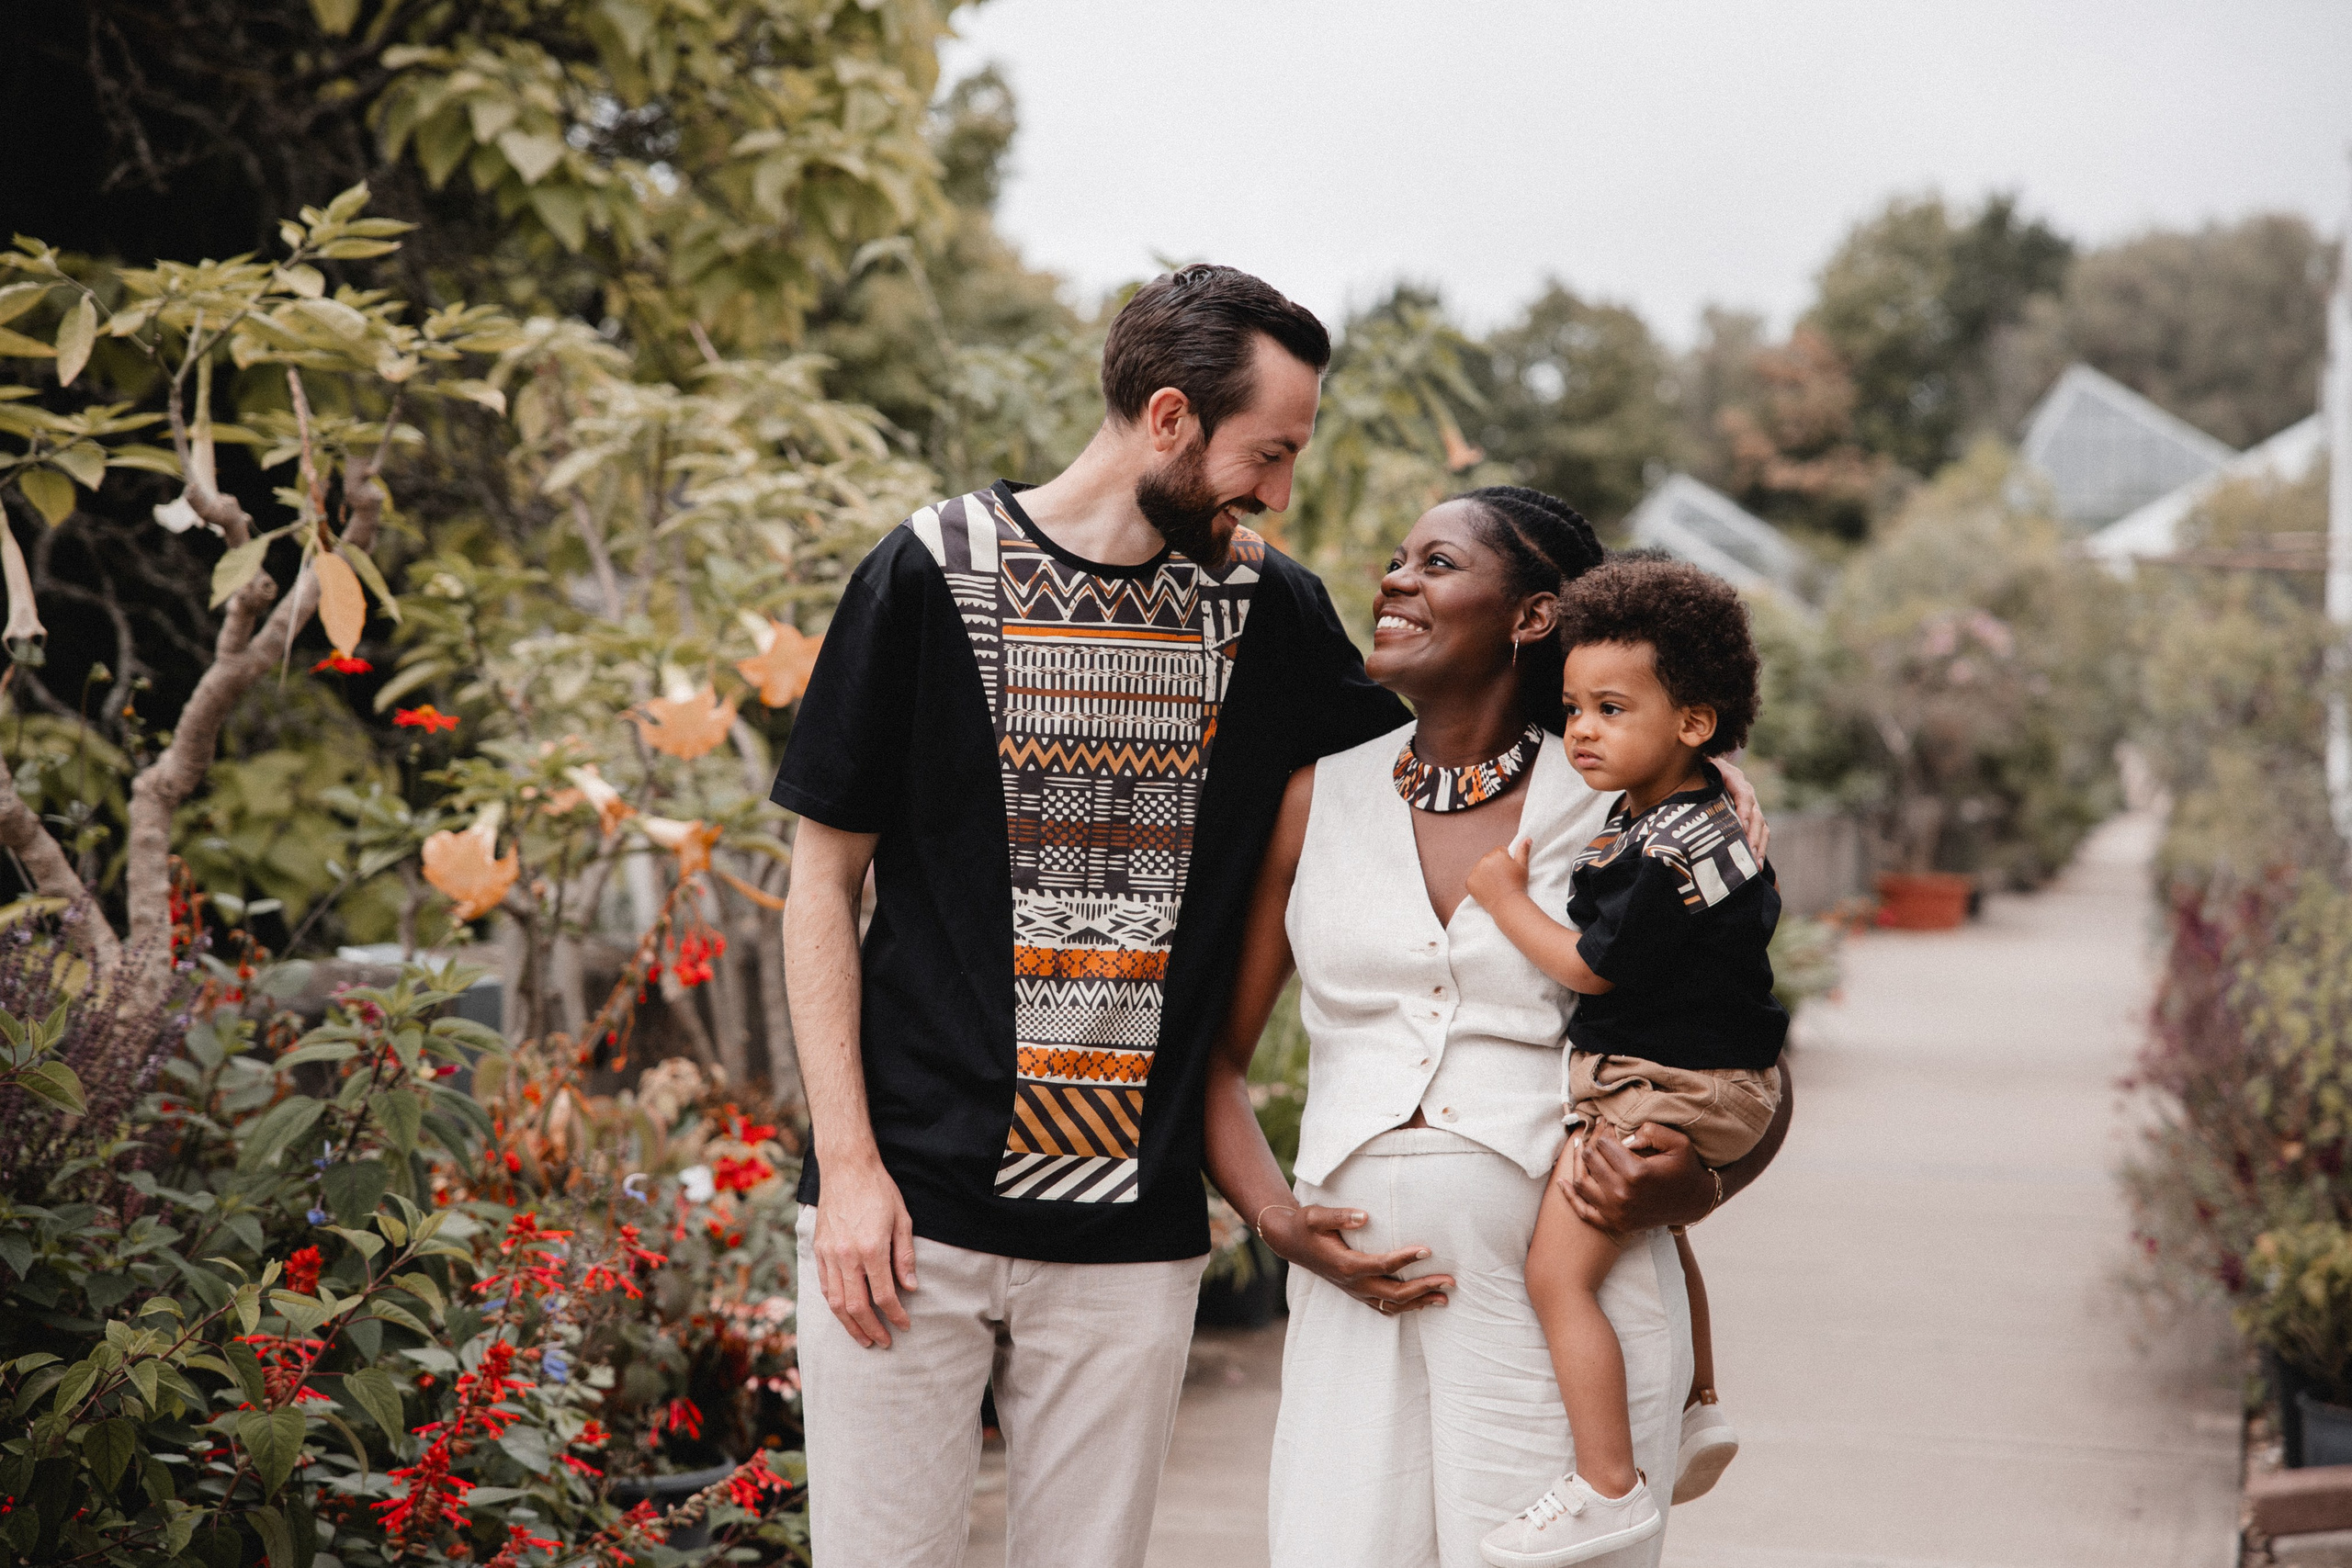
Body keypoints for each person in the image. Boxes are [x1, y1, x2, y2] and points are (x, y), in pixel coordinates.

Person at [773, 264, 1408, 1567]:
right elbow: (821, 884)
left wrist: (1677, 764)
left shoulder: (1269, 612)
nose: (1279, 493)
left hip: (1133, 1237)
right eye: (1268, 454)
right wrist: (848, 1171)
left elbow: (1434, 760)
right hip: (904, 1216)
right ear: (1170, 418)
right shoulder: (929, 571)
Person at [1202, 490, 1794, 1568]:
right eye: (1396, 557)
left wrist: (1703, 1182)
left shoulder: (1631, 798)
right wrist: (1276, 1220)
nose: (1395, 578)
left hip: (1570, 1303)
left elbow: (1740, 1044)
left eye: (1436, 563)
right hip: (1353, 1307)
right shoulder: (1315, 799)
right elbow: (1219, 1063)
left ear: (1531, 615)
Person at [1464, 558, 1788, 1566]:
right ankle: (1697, 1404)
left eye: (1611, 709)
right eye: (1572, 709)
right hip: (1726, 1077)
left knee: (1556, 1275)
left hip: (1666, 1081)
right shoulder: (1702, 810)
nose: (1582, 732)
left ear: (1693, 721)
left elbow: (1588, 968)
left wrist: (1499, 896)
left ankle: (1607, 1484)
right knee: (1658, 1230)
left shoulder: (1658, 852)